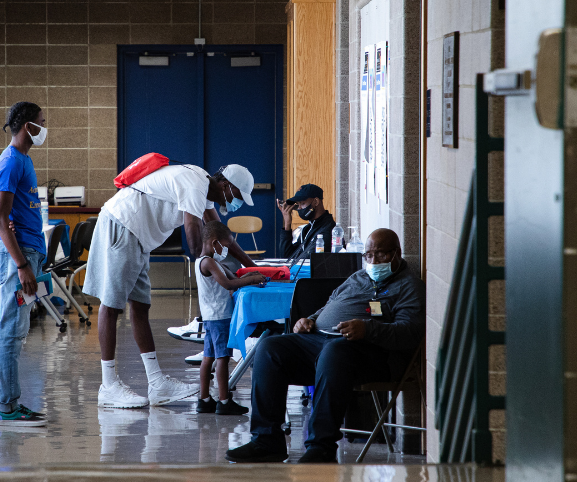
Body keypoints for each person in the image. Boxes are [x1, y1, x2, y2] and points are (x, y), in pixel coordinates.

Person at [226, 228, 423, 464]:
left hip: (371, 353)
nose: (372, 261)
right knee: (270, 348)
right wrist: (309, 319)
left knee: (334, 352)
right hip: (321, 341)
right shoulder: (358, 277)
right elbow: (331, 305)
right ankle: (266, 441)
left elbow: (410, 333)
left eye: (379, 255)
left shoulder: (409, 286)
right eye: (368, 255)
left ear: (396, 254)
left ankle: (321, 446)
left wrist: (369, 329)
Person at [84, 161, 259, 408]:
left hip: (139, 237)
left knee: (141, 307)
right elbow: (194, 234)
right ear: (226, 186)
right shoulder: (196, 184)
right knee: (111, 306)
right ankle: (108, 385)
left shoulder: (205, 190)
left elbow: (222, 236)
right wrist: (207, 267)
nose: (236, 203)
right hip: (122, 224)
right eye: (238, 196)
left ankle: (157, 384)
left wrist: (253, 266)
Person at [0, 101, 49, 427]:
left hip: (27, 253)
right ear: (28, 126)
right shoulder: (10, 162)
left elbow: (10, 214)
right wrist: (23, 265)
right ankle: (7, 406)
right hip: (18, 259)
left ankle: (11, 402)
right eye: (42, 121)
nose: (44, 127)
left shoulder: (22, 160)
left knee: (18, 330)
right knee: (11, 332)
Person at [194, 221, 266, 415]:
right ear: (214, 242)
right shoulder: (209, 262)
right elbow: (228, 284)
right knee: (222, 358)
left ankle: (204, 399)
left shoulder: (204, 261)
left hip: (211, 317)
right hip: (219, 317)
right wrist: (252, 279)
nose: (226, 250)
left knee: (208, 357)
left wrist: (248, 274)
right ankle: (224, 401)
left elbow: (232, 275)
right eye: (225, 246)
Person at [276, 183, 343, 260]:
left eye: (303, 203)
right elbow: (287, 256)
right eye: (298, 204)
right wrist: (287, 224)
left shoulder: (327, 230)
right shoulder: (308, 229)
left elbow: (305, 260)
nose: (299, 208)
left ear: (316, 202)